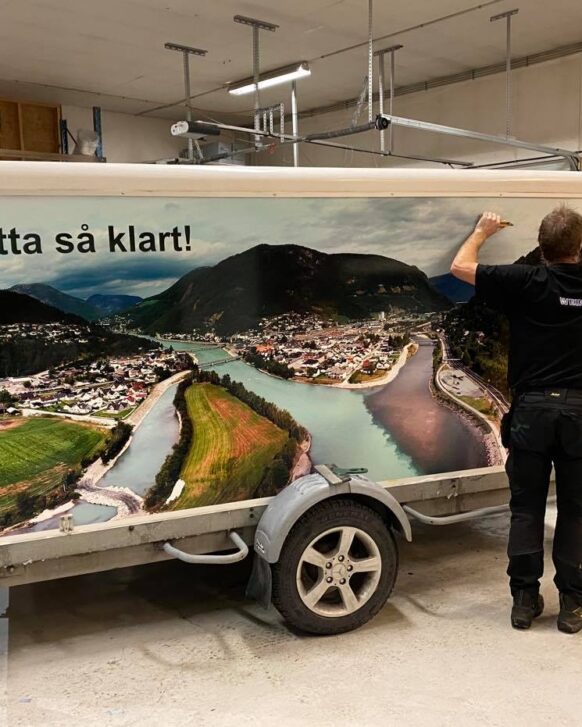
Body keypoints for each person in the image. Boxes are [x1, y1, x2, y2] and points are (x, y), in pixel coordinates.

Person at [450, 205, 582, 633]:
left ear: (541, 248)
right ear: (579, 247)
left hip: (531, 413)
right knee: (575, 512)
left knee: (525, 509)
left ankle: (524, 601)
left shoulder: (526, 281)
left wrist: (482, 231)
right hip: (578, 415)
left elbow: (460, 267)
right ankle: (573, 605)